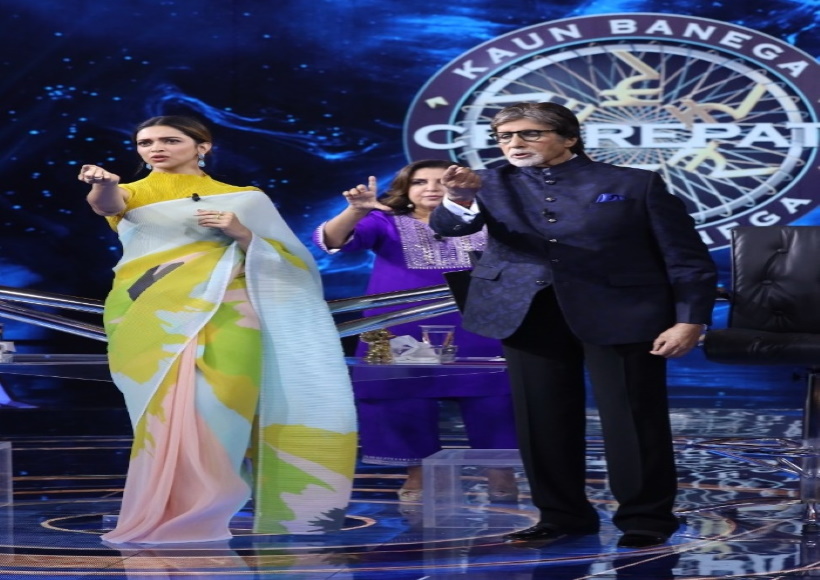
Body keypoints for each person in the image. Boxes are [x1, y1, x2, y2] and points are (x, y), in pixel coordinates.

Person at [430, 102, 717, 548]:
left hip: (623, 312)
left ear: (569, 138)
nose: (514, 144)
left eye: (529, 133)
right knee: (541, 419)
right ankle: (561, 516)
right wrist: (459, 199)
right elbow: (449, 229)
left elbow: (686, 258)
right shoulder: (485, 182)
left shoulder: (634, 183)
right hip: (525, 313)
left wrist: (690, 320)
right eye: (504, 136)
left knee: (633, 419)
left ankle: (646, 518)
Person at [80, 115, 357, 544]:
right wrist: (103, 184)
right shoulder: (131, 193)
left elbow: (294, 262)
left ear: (202, 146)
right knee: (162, 413)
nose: (156, 148)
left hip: (232, 315)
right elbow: (106, 206)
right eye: (145, 143)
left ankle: (211, 508)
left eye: (170, 140)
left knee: (221, 407)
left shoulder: (245, 199)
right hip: (149, 316)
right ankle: (169, 510)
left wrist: (241, 233)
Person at [313, 159, 518, 504]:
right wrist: (355, 211)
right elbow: (332, 241)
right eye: (420, 182)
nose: (432, 188)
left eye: (442, 181)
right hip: (401, 333)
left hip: (480, 329)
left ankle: (501, 474)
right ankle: (418, 475)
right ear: (405, 190)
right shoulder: (384, 221)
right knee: (401, 402)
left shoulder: (489, 220)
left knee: (496, 401)